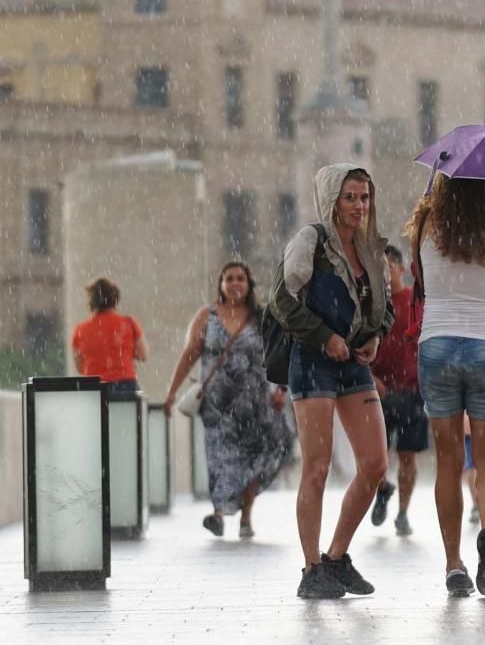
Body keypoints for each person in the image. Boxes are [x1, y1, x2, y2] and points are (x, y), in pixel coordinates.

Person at [270, 164, 393, 600]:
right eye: (350, 197)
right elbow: (282, 298)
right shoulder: (312, 241)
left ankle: (337, 556)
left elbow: (386, 303)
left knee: (376, 464)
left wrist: (377, 336)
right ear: (331, 201)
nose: (360, 205)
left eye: (364, 197)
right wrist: (325, 337)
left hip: (354, 360)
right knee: (317, 467)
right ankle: (311, 569)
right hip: (313, 359)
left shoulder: (371, 249)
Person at [407, 175, 485, 598]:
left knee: (449, 463)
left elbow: (419, 278)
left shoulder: (426, 222)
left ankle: (454, 564)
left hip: (437, 345)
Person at [165, 262, 291, 539]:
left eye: (240, 279)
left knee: (253, 458)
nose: (235, 283)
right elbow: (190, 354)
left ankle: (246, 516)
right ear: (221, 284)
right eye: (229, 279)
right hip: (217, 404)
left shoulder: (261, 317)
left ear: (249, 284)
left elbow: (278, 354)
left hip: (256, 402)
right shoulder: (207, 316)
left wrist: (281, 388)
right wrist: (171, 391)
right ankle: (219, 513)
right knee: (220, 459)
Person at [369, 244, 428, 538]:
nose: (384, 274)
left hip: (413, 391)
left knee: (408, 456)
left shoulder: (417, 303)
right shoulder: (372, 305)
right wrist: (370, 377)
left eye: (388, 267)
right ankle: (382, 489)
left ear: (401, 269)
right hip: (378, 391)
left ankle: (403, 512)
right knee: (376, 455)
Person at [71, 277, 148, 393]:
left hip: (93, 388)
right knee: (128, 410)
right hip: (125, 385)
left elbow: (80, 367)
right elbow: (143, 355)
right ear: (115, 299)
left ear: (91, 301)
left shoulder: (80, 330)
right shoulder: (128, 323)